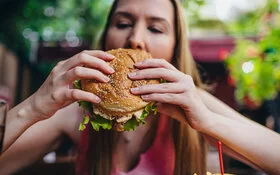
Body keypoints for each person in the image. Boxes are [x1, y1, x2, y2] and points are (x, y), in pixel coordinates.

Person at [1, 0, 280, 174]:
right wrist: (34, 107)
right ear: (106, 38)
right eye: (123, 23)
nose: (135, 39)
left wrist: (208, 122)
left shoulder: (194, 101)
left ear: (174, 50)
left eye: (156, 29)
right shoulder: (77, 110)